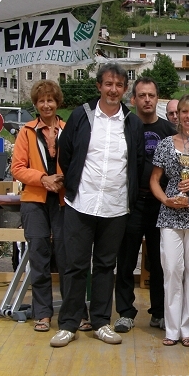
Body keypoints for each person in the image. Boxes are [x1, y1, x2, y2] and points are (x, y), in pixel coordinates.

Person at [50, 62, 144, 347]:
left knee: (106, 265)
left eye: (118, 85)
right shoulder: (81, 116)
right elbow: (65, 154)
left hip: (115, 206)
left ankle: (101, 322)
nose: (113, 90)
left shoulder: (132, 122)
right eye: (108, 84)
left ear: (125, 89)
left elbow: (137, 163)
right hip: (81, 202)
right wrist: (77, 184)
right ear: (99, 86)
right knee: (76, 265)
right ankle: (69, 324)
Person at [114, 78, 176, 333]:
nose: (147, 100)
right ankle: (126, 313)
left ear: (157, 98)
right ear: (133, 99)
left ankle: (159, 312)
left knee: (161, 261)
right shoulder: (124, 125)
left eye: (151, 95)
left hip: (161, 204)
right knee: (126, 260)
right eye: (142, 95)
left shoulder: (169, 130)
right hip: (130, 202)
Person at [150, 94, 189, 347]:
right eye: (183, 112)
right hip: (170, 215)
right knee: (172, 270)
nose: (187, 116)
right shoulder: (166, 144)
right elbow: (154, 179)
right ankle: (171, 328)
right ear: (177, 116)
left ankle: (188, 328)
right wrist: (166, 200)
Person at [11, 80, 66, 333]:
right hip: (34, 201)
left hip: (64, 200)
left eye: (51, 100)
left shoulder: (68, 129)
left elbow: (77, 163)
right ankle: (42, 313)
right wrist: (44, 179)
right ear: (36, 104)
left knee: (67, 258)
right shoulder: (26, 131)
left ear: (57, 103)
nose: (47, 105)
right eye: (42, 101)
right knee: (39, 257)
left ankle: (71, 313)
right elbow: (18, 168)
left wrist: (61, 180)